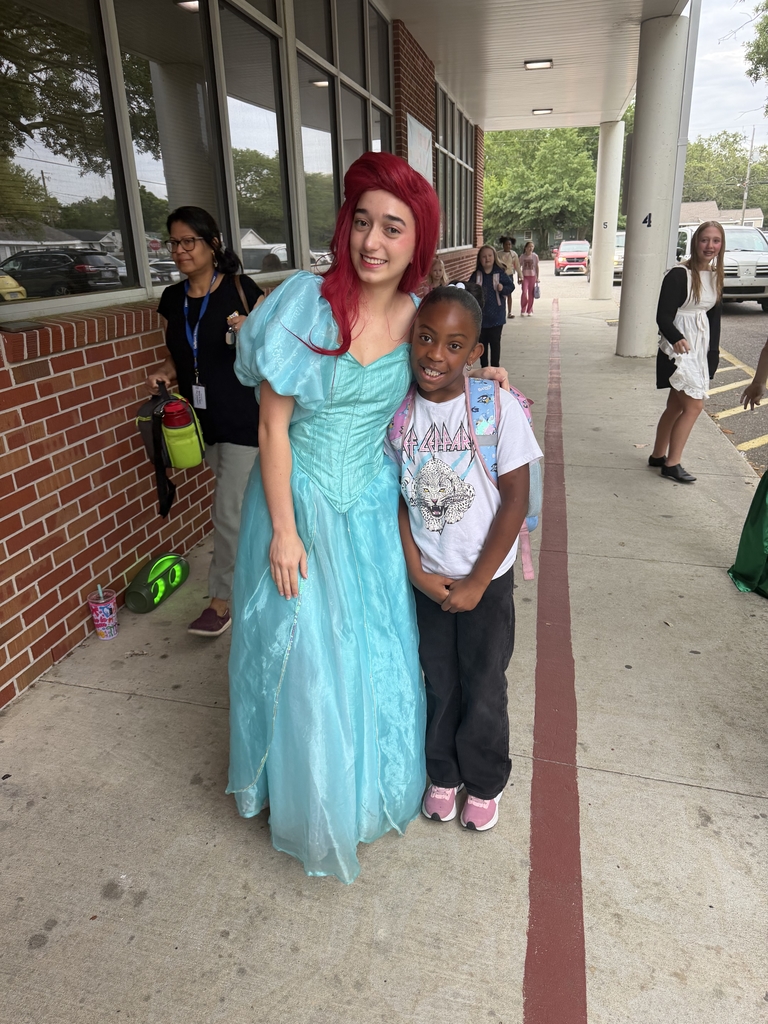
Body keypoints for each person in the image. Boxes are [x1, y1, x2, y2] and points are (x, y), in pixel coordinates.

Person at [227, 153, 510, 884]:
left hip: (376, 506)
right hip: (300, 499)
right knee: (308, 656)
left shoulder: (420, 318)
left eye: (392, 227)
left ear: (418, 243)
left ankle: (368, 782)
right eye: (362, 222)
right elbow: (272, 428)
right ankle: (314, 798)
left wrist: (484, 377)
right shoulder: (304, 303)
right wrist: (284, 531)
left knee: (373, 647)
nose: (372, 241)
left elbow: (439, 377)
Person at [389, 287, 543, 831]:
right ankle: (444, 772)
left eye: (455, 345)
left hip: (487, 578)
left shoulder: (495, 406)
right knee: (437, 678)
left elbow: (515, 499)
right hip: (429, 578)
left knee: (483, 681)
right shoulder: (399, 414)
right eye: (426, 338)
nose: (436, 355)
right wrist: (415, 570)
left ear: (476, 352)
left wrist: (478, 581)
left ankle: (483, 779)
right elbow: (398, 498)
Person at [145, 207, 263, 635]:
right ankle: (266, 567)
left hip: (244, 420)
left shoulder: (241, 289)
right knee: (247, 510)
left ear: (212, 244)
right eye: (173, 242)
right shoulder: (171, 300)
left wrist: (251, 331)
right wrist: (165, 371)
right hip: (200, 424)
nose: (179, 250)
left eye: (188, 241)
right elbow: (179, 354)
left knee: (227, 514)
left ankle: (220, 602)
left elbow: (275, 350)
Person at [649, 220, 724, 484]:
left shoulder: (715, 275)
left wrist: (713, 353)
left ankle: (658, 455)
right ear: (695, 242)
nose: (710, 246)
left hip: (699, 346)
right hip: (677, 348)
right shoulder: (678, 275)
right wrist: (676, 338)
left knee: (675, 405)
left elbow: (714, 320)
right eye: (705, 240)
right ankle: (672, 463)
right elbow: (662, 316)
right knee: (694, 406)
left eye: (716, 240)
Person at [467, 244, 514, 368]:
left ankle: (495, 368)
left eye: (489, 256)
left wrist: (502, 288)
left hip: (497, 317)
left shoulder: (500, 273)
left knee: (495, 343)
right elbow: (468, 290)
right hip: (481, 317)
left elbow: (511, 286)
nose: (487, 259)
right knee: (482, 344)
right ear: (479, 259)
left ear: (494, 257)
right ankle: (484, 369)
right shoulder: (476, 275)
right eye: (484, 256)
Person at [497, 237, 520, 319]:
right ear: (503, 245)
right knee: (500, 294)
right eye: (506, 244)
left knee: (509, 294)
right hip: (500, 276)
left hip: (509, 276)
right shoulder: (498, 254)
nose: (508, 246)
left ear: (511, 245)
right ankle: (501, 312)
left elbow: (517, 266)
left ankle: (509, 312)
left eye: (509, 244)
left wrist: (521, 277)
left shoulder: (514, 254)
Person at [519, 241, 539, 316]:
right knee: (524, 292)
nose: (531, 248)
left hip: (532, 276)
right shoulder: (522, 256)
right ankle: (523, 309)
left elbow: (536, 267)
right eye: (529, 246)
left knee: (531, 294)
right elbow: (519, 267)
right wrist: (519, 277)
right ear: (525, 248)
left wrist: (537, 277)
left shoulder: (535, 256)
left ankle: (530, 310)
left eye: (532, 246)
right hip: (524, 277)